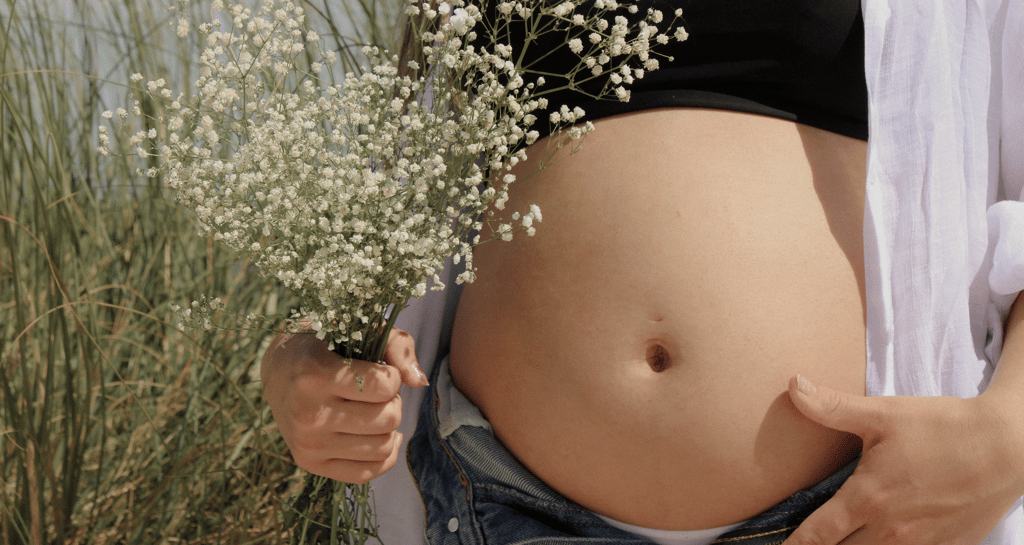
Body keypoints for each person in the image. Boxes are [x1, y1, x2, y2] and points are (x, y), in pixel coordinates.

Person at [260, 0, 1024, 543]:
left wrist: (1008, 435)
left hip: (858, 508)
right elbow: (393, 208)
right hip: (505, 500)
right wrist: (300, 361)